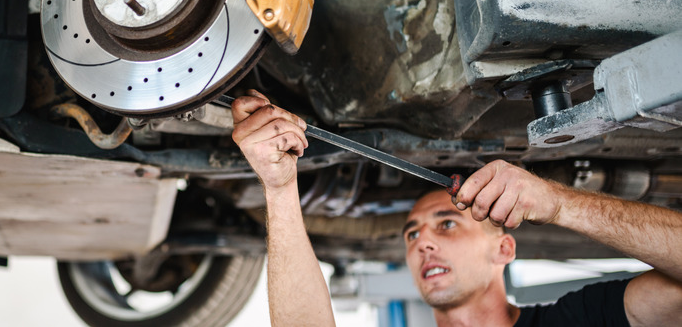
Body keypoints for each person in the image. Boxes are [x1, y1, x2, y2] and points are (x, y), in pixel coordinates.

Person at [230, 90, 682, 327]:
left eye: (446, 223)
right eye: (411, 234)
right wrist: (279, 187)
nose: (421, 241)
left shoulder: (582, 320)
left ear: (504, 249)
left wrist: (559, 203)